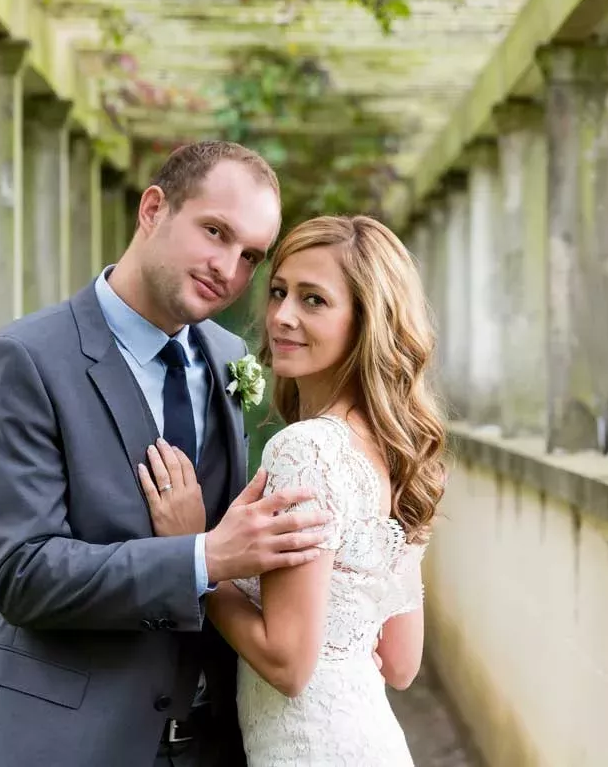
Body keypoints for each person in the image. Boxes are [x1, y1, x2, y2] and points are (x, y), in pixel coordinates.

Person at [0, 141, 336, 767]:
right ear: (153, 209)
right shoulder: (24, 360)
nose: (228, 270)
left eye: (249, 257)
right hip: (64, 747)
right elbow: (22, 574)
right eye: (215, 232)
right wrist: (203, 555)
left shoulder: (223, 356)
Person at [138, 214, 447, 766]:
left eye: (314, 301)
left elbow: (287, 664)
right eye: (279, 291)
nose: (282, 316)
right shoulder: (396, 455)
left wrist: (198, 552)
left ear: (366, 321)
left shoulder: (307, 450)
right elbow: (401, 662)